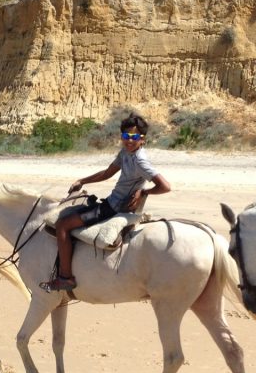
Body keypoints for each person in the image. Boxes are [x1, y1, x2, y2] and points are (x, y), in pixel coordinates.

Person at [41, 112, 170, 292]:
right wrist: (83, 180)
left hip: (113, 208)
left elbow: (165, 186)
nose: (129, 140)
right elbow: (107, 173)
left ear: (143, 138)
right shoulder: (126, 153)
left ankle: (65, 277)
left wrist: (143, 192)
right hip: (110, 202)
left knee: (63, 225)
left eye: (134, 137)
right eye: (126, 136)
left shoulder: (140, 161)